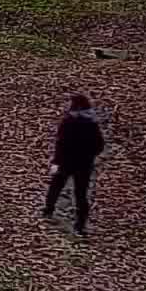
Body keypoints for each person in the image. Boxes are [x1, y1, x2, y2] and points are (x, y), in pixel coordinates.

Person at [44, 93, 106, 235]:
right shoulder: (92, 124)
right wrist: (89, 156)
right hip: (84, 164)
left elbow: (60, 144)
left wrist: (56, 161)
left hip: (66, 162)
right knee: (81, 194)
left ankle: (48, 210)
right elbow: (99, 145)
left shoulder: (68, 122)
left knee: (56, 186)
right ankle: (80, 224)